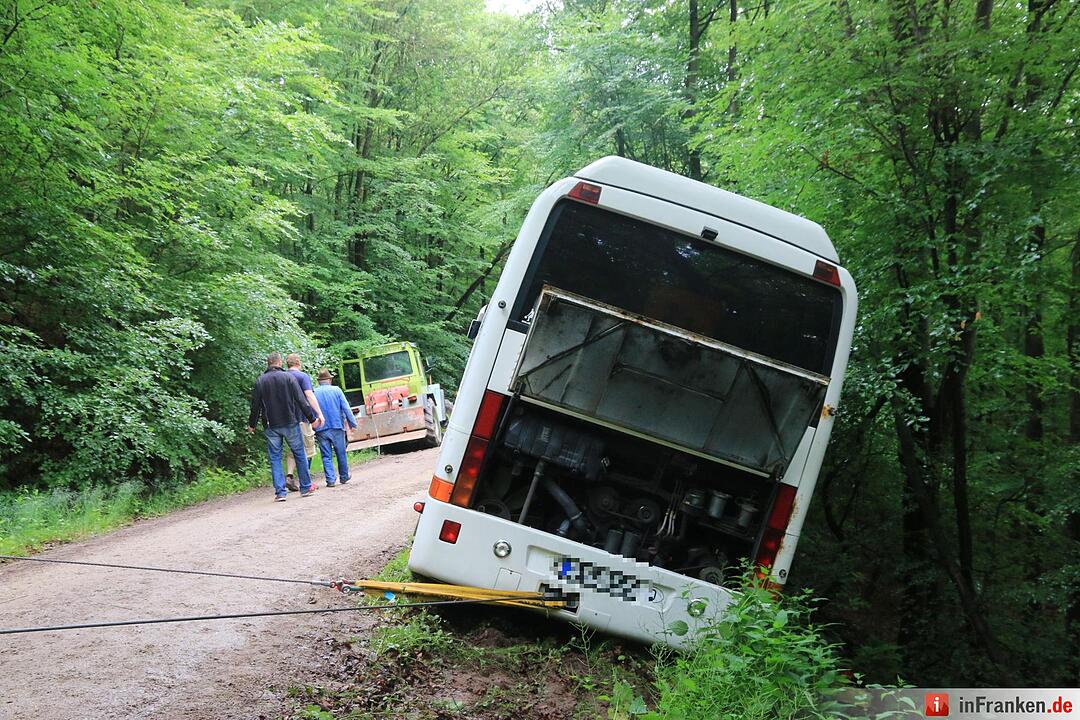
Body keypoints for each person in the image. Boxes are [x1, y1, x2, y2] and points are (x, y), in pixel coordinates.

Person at [247, 352, 324, 501]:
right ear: (280, 363)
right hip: (290, 422)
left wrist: (252, 425)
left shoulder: (260, 381)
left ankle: (280, 493)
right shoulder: (288, 378)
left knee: (275, 458)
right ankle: (306, 487)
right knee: (299, 453)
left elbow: (255, 406)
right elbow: (301, 400)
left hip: (271, 425)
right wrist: (312, 418)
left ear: (268, 363)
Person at [284, 353, 324, 491]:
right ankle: (305, 482)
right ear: (298, 363)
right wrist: (319, 414)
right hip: (302, 418)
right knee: (308, 449)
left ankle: (289, 476)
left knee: (292, 449)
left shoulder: (283, 377)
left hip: (287, 420)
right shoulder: (302, 377)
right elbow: (309, 396)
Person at [312, 368, 358, 487]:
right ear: (329, 380)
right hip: (337, 426)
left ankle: (330, 480)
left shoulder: (314, 393)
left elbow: (311, 411)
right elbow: (346, 407)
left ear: (319, 381)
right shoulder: (336, 390)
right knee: (340, 452)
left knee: (326, 455)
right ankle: (344, 476)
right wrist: (352, 423)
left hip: (321, 428)